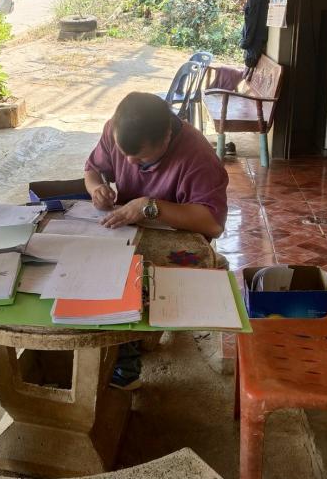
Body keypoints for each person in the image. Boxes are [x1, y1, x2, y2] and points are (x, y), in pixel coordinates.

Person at [84, 91, 229, 389]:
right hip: (128, 229)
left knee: (130, 282)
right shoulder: (116, 129)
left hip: (176, 238)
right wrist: (96, 189)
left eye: (141, 158)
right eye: (124, 153)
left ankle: (125, 364)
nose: (129, 162)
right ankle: (119, 342)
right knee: (91, 267)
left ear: (166, 137)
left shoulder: (197, 155)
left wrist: (150, 206)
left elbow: (213, 224)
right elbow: (93, 170)